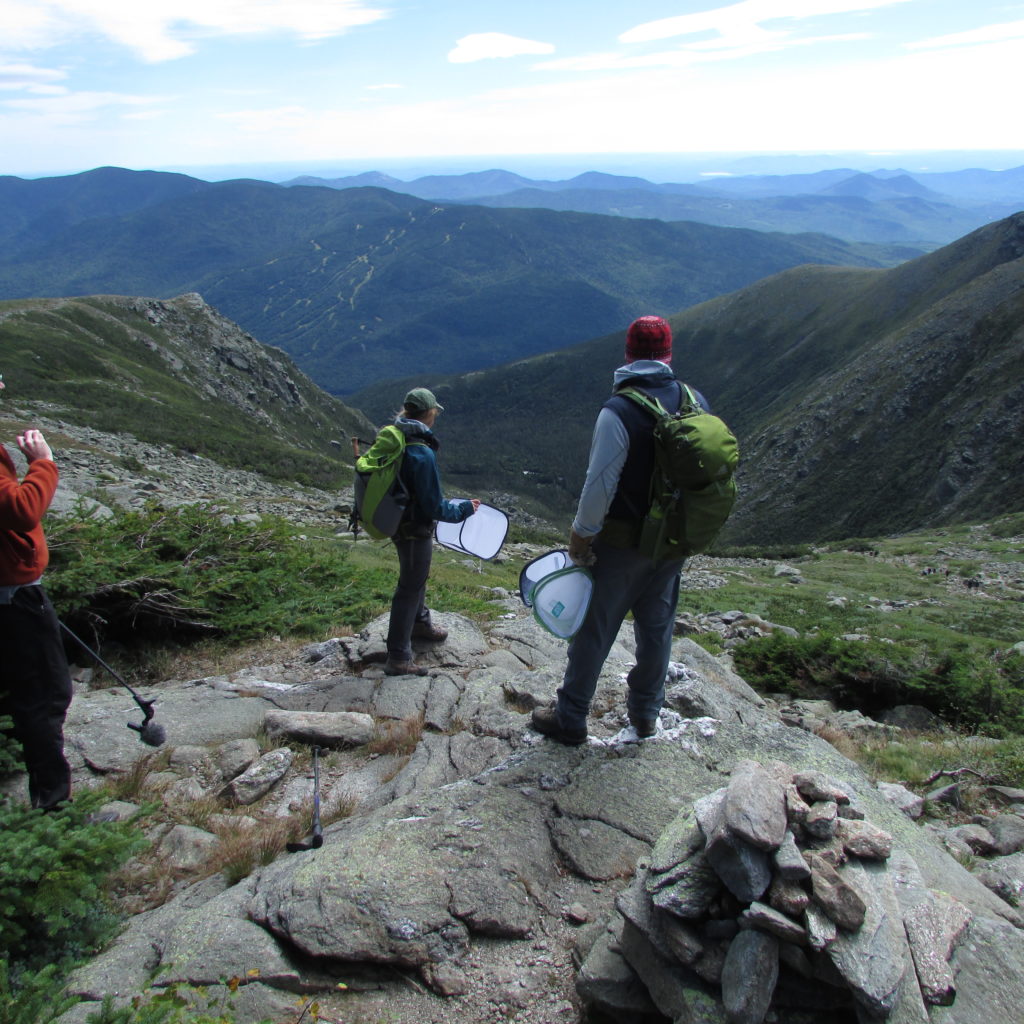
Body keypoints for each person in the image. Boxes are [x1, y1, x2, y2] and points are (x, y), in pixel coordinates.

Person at [531, 316, 711, 745]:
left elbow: (599, 486)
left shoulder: (619, 411)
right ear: (668, 354)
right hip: (673, 541)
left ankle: (571, 718)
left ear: (628, 353)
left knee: (595, 629)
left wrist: (581, 537)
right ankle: (646, 715)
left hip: (623, 546)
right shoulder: (694, 399)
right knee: (657, 628)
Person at [0, 373, 74, 810]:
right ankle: (54, 807)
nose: (4, 385)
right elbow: (22, 510)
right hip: (14, 596)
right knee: (45, 696)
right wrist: (43, 462)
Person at [384, 387, 479, 677]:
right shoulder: (421, 453)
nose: (436, 414)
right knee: (409, 587)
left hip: (396, 519)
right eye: (434, 410)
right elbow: (434, 506)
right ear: (428, 413)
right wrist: (464, 510)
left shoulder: (395, 435)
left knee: (416, 577)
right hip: (414, 528)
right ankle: (399, 656)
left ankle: (420, 623)